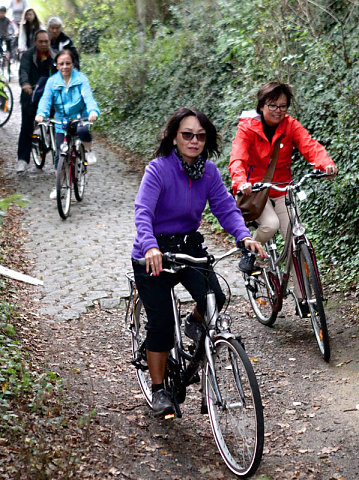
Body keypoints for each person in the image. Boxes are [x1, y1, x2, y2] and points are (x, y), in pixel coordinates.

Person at [131, 107, 266, 417]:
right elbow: (143, 213)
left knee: (215, 299)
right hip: (154, 252)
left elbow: (226, 209)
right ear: (175, 137)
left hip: (188, 247)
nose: (194, 141)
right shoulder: (158, 169)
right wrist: (150, 247)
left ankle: (193, 325)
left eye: (200, 136)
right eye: (187, 135)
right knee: (162, 324)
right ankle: (159, 389)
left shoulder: (209, 172)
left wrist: (243, 237)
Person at [228, 81, 338, 314]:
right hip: (256, 189)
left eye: (283, 106)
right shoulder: (248, 127)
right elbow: (237, 157)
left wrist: (325, 164)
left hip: (283, 188)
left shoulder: (290, 126)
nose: (278, 110)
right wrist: (240, 182)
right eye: (273, 105)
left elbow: (310, 146)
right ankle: (250, 251)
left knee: (296, 237)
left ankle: (304, 299)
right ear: (261, 105)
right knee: (271, 224)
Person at [35, 49, 100, 199]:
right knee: (59, 154)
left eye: (68, 63)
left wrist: (92, 112)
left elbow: (89, 98)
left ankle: (88, 151)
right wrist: (41, 114)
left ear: (73, 64)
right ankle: (60, 187)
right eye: (61, 64)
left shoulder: (81, 79)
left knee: (83, 131)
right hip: (61, 121)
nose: (65, 66)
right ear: (57, 66)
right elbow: (45, 100)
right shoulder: (52, 81)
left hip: (79, 117)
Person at [17, 29, 56, 174]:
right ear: (35, 42)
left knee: (57, 124)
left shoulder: (55, 55)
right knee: (26, 127)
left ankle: (59, 158)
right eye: (41, 41)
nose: (44, 44)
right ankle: (22, 160)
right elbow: (24, 71)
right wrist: (25, 84)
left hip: (50, 97)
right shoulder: (28, 55)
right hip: (31, 96)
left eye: (46, 41)